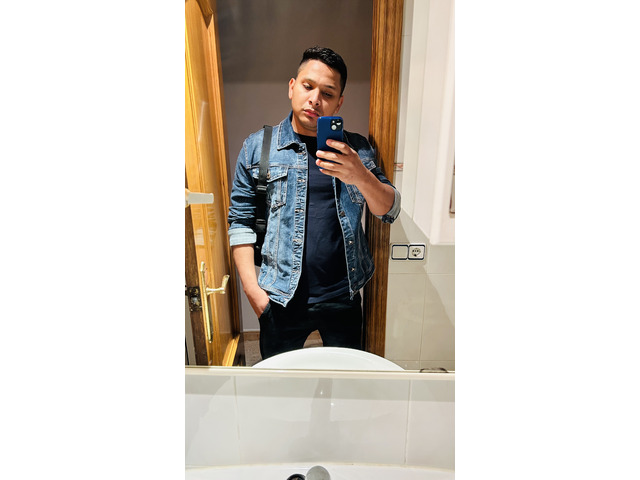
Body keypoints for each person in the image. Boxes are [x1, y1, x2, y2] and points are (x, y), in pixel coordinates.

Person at [227, 46, 400, 360]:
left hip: (343, 296)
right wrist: (254, 293)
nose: (315, 99)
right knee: (280, 382)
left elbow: (389, 210)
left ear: (339, 102)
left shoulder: (357, 149)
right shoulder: (257, 148)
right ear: (292, 87)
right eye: (308, 86)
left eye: (328, 93)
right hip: (279, 297)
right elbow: (240, 221)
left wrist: (360, 175)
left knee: (344, 379)